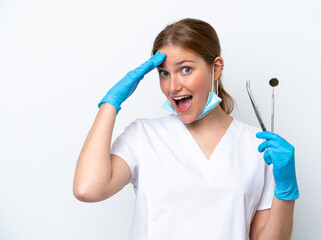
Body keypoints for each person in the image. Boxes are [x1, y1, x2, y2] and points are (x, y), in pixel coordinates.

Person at [73, 18, 299, 240]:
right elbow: (87, 189)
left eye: (185, 69)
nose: (173, 86)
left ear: (216, 68)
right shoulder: (143, 136)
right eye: (164, 73)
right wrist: (110, 104)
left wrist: (286, 191)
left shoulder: (259, 146)